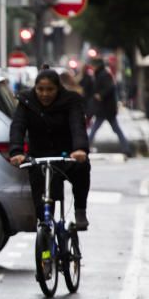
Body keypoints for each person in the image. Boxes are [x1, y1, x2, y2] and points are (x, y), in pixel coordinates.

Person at [9, 68, 90, 230]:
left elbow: (77, 125)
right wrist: (17, 151)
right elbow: (18, 126)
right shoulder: (26, 101)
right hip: (39, 158)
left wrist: (80, 149)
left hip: (66, 156)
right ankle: (46, 232)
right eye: (40, 89)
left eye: (50, 90)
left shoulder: (70, 101)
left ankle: (80, 211)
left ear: (58, 88)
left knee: (82, 168)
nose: (45, 94)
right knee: (43, 208)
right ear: (35, 88)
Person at [87, 58, 132, 157]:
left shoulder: (103, 74)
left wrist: (100, 95)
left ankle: (126, 148)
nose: (92, 67)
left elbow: (110, 87)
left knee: (96, 128)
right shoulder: (100, 74)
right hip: (105, 109)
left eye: (93, 65)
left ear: (97, 66)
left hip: (106, 109)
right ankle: (126, 148)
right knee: (110, 129)